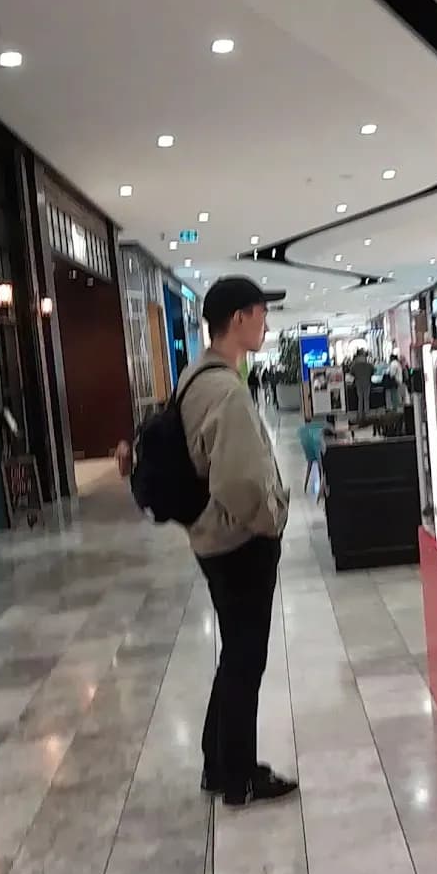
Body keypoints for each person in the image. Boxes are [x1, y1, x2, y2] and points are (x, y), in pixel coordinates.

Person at [177, 276, 297, 807]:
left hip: (213, 541)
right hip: (238, 545)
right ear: (240, 318)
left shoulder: (196, 375)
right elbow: (239, 481)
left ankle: (217, 761)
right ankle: (240, 776)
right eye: (260, 312)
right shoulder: (224, 388)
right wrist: (272, 518)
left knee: (235, 654)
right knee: (247, 658)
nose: (266, 322)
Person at [351, 348, 374, 423]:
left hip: (358, 382)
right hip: (367, 382)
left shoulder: (355, 364)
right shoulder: (368, 363)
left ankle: (360, 415)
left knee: (360, 399)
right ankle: (367, 415)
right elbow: (373, 370)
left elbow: (351, 372)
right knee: (366, 399)